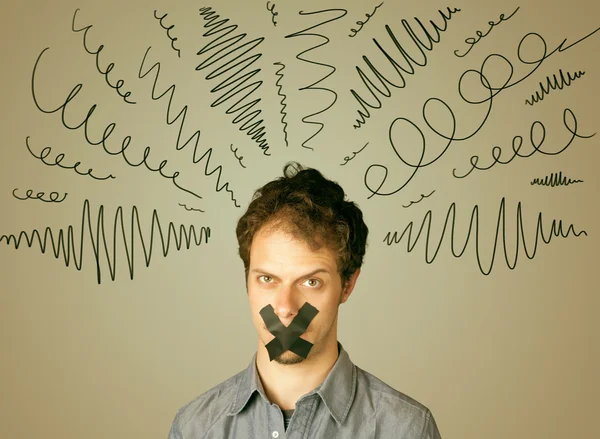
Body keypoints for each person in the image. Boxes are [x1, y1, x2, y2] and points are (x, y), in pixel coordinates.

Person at [168, 163, 442, 438]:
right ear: (247, 281)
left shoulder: (407, 429)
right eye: (267, 279)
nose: (286, 308)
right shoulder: (195, 427)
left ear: (347, 285)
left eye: (311, 282)